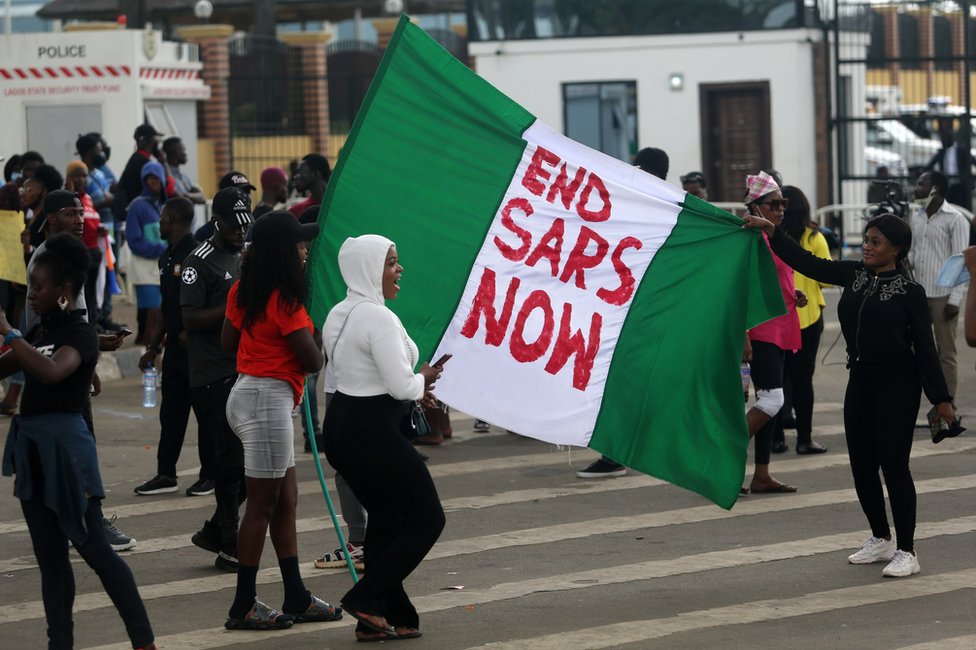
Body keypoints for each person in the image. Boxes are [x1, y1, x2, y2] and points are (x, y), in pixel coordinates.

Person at [743, 212, 954, 578]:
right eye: (866, 240)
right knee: (861, 465)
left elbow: (925, 348)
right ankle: (880, 537)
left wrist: (941, 398)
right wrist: (774, 233)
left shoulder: (909, 293)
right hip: (860, 380)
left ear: (897, 249)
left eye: (876, 242)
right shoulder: (854, 274)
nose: (867, 247)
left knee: (894, 465)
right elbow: (807, 262)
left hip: (897, 385)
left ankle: (907, 549)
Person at [0, 233, 156, 649]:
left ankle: (144, 641)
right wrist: (15, 339)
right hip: (33, 451)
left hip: (67, 454)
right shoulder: (38, 329)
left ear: (64, 291)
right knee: (51, 562)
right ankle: (60, 644)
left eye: (39, 286)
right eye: (30, 286)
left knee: (97, 551)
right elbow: (8, 365)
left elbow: (52, 372)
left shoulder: (79, 333)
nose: (31, 294)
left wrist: (11, 334)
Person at [221, 210, 342, 629]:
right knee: (263, 504)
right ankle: (243, 605)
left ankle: (296, 595)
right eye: (299, 246)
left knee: (284, 499)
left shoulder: (244, 291)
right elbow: (311, 361)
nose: (305, 252)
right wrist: (317, 334)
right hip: (268, 401)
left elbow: (227, 341)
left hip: (250, 394)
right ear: (283, 254)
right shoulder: (287, 300)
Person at [323, 234, 446, 642]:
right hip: (370, 430)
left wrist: (415, 381)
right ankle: (366, 597)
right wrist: (422, 378)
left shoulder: (341, 312)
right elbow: (399, 386)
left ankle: (387, 615)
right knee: (428, 517)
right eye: (392, 262)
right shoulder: (378, 317)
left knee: (388, 519)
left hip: (343, 426)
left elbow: (363, 374)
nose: (400, 269)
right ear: (369, 269)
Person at [579, 146, 671, 478]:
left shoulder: (644, 204)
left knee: (618, 381)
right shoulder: (664, 206)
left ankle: (615, 452)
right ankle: (632, 446)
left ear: (645, 170)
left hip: (633, 314)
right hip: (637, 310)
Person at [182, 187, 252, 572]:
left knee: (248, 462)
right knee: (231, 461)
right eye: (234, 225)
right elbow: (189, 319)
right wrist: (234, 309)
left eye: (246, 225)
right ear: (216, 222)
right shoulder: (200, 260)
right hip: (211, 373)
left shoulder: (241, 254)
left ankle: (215, 530)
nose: (241, 232)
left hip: (241, 367)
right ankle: (228, 542)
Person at [134, 197, 215, 497]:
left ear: (175, 219)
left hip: (198, 352)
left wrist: (194, 338)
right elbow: (166, 308)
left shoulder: (198, 254)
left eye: (163, 216)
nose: (160, 222)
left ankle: (211, 475)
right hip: (174, 354)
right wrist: (153, 348)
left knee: (206, 417)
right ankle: (166, 474)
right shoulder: (166, 258)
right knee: (171, 415)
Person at [742, 171, 803, 492]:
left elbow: (776, 281)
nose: (781, 210)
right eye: (774, 204)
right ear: (756, 207)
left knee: (770, 402)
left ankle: (761, 474)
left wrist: (796, 295)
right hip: (761, 329)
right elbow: (737, 288)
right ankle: (722, 449)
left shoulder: (773, 237)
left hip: (781, 325)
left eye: (783, 204)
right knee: (771, 400)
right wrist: (743, 333)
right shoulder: (749, 238)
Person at [776, 185, 828, 455]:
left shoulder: (770, 236)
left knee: (775, 379)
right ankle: (805, 439)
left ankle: (776, 439)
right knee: (802, 380)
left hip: (775, 318)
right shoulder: (814, 237)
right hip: (808, 319)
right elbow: (825, 277)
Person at [908, 171, 968, 401]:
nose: (916, 188)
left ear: (935, 189)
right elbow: (914, 253)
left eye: (921, 184)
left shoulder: (955, 219)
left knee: (946, 353)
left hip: (943, 296)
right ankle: (912, 400)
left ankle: (947, 405)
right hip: (919, 295)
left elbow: (959, 261)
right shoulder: (917, 217)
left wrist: (954, 300)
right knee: (916, 350)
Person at [125, 161, 168, 345]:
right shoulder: (137, 206)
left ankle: (154, 356)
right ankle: (151, 359)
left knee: (161, 314)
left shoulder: (166, 205)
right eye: (148, 178)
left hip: (162, 267)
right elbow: (134, 241)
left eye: (156, 177)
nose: (152, 182)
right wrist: (164, 249)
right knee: (153, 312)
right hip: (144, 268)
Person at [65, 160, 104, 324]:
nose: (81, 179)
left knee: (92, 294)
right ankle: (85, 327)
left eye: (84, 175)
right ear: (69, 177)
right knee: (82, 294)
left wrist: (100, 229)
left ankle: (94, 326)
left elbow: (90, 219)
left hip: (94, 249)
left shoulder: (87, 198)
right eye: (76, 175)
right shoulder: (67, 198)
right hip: (80, 251)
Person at [194, 170, 257, 242]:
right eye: (238, 193)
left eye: (247, 192)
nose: (244, 197)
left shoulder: (254, 231)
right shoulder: (204, 234)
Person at [162, 136, 205, 205]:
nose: (185, 153)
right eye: (183, 150)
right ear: (173, 152)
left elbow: (202, 197)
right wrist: (191, 196)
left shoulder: (183, 176)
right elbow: (177, 197)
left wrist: (186, 195)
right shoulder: (164, 175)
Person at [288, 154, 330, 218]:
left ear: (316, 173)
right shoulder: (295, 212)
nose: (295, 177)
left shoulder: (337, 206)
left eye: (301, 171)